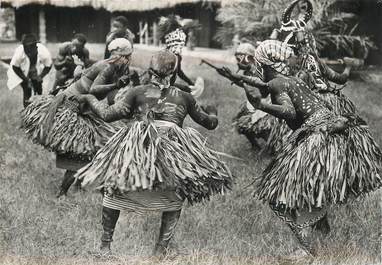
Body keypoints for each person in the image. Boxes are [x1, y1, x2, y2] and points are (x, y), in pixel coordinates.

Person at [74, 50, 233, 256]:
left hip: (138, 151)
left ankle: (105, 246)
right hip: (172, 155)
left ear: (150, 71)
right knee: (175, 194)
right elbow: (209, 123)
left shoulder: (137, 92)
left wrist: (89, 97)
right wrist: (213, 113)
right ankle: (160, 250)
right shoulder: (184, 97)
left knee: (113, 190)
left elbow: (107, 115)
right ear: (174, 73)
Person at [241, 40, 382, 256]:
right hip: (329, 130)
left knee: (281, 199)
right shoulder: (292, 80)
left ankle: (305, 250)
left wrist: (261, 106)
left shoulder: (277, 84)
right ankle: (321, 227)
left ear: (262, 64)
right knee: (311, 187)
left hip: (318, 137)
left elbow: (288, 112)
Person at [20, 38, 135, 197]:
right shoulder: (108, 67)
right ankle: (62, 193)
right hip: (71, 107)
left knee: (89, 150)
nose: (129, 60)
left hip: (83, 109)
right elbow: (94, 90)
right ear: (123, 56)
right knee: (79, 154)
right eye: (128, 56)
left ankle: (80, 185)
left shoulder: (115, 67)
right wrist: (116, 85)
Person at [157, 15, 204, 98]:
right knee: (169, 82)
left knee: (171, 78)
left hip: (170, 55)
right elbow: (189, 23)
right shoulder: (178, 32)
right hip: (174, 55)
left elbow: (179, 72)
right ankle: (189, 91)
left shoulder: (171, 33)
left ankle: (190, 88)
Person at [7, 34, 52, 107]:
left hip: (36, 69)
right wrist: (26, 80)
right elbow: (15, 67)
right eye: (27, 52)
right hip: (22, 70)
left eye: (31, 52)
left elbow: (48, 65)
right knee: (27, 89)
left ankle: (39, 107)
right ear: (23, 48)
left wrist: (40, 76)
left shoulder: (44, 52)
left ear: (36, 47)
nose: (29, 54)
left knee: (38, 87)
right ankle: (27, 110)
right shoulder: (19, 53)